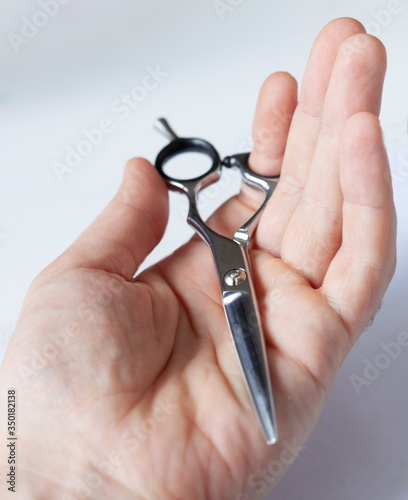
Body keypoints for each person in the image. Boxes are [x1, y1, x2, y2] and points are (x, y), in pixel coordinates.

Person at [0, 17, 396, 500]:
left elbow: (14, 453)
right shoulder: (19, 438)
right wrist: (34, 455)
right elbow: (20, 455)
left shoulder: (11, 436)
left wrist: (26, 458)